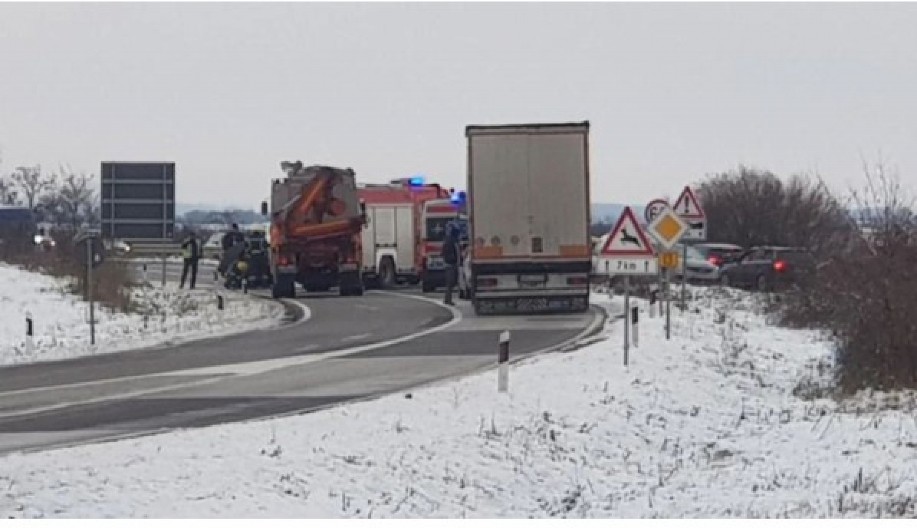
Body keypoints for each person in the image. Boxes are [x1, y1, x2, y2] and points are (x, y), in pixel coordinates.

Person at [442, 221, 461, 306]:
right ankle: (448, 299)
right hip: (451, 264)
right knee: (451, 282)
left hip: (448, 263)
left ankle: (447, 299)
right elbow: (457, 252)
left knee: (449, 283)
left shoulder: (446, 240)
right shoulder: (453, 240)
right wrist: (458, 262)